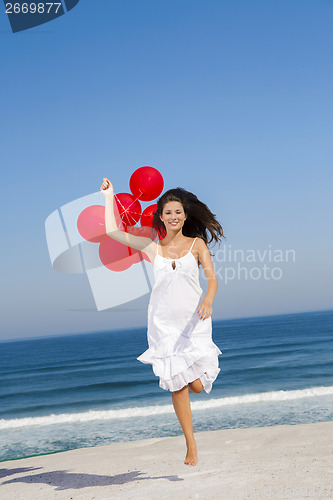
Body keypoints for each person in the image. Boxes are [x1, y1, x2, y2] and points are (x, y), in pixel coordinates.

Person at [100, 177, 224, 466]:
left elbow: (212, 278)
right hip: (164, 324)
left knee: (195, 386)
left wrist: (208, 300)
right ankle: (191, 445)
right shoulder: (151, 247)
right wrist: (109, 197)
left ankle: (192, 432)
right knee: (176, 385)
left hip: (193, 320)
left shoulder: (197, 244)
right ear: (160, 216)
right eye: (167, 212)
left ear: (186, 215)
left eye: (178, 212)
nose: (173, 217)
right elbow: (111, 231)